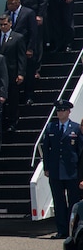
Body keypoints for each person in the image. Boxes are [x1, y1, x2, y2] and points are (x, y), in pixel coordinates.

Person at [43, 100, 83, 239]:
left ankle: (74, 231)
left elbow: (80, 151)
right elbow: (46, 150)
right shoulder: (51, 127)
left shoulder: (76, 128)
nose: (60, 112)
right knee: (59, 202)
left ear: (68, 111)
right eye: (58, 110)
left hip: (72, 171)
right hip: (55, 171)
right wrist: (46, 168)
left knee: (73, 202)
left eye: (63, 110)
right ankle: (62, 231)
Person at [8, 0, 48, 85]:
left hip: (34, 15)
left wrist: (40, 14)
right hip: (19, 15)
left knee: (36, 42)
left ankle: (37, 68)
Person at [0, 14, 26, 132]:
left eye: (5, 24)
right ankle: (3, 122)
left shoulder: (18, 37)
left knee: (13, 99)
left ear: (10, 24)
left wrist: (21, 73)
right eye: (1, 25)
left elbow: (21, 57)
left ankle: (13, 122)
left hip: (12, 74)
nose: (3, 27)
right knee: (0, 99)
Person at [6, 0, 39, 105]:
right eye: (8, 3)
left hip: (25, 49)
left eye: (11, 3)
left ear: (18, 2)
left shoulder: (28, 13)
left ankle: (29, 95)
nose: (8, 5)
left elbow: (33, 32)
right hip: (13, 52)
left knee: (28, 74)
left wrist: (30, 48)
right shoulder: (6, 15)